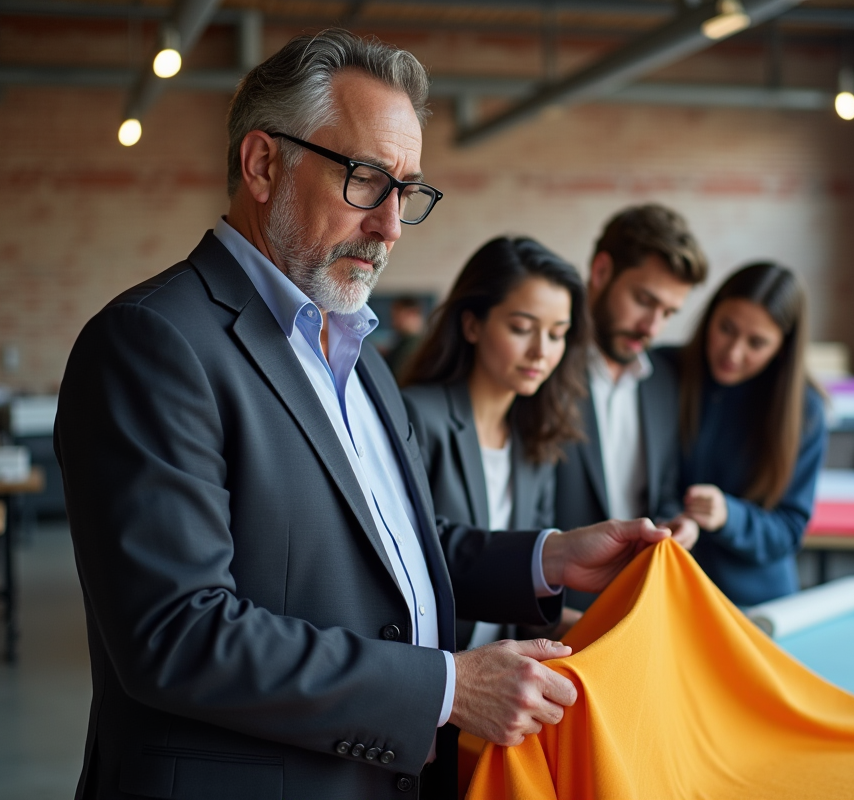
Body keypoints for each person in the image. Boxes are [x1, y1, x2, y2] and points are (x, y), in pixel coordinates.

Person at [54, 30, 673, 800]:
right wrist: (446, 688)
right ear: (262, 164)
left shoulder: (357, 353)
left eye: (406, 191)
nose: (388, 227)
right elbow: (178, 631)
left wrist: (547, 559)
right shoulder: (154, 341)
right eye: (364, 180)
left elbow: (393, 549)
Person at [401, 237, 589, 648]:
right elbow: (404, 566)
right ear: (471, 324)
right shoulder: (417, 416)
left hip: (505, 672)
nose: (542, 351)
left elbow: (517, 588)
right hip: (435, 672)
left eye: (557, 334)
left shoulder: (536, 440)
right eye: (522, 328)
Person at [553, 204, 709, 609]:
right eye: (644, 300)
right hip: (552, 615)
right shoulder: (542, 366)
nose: (652, 327)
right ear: (602, 272)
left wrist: (679, 523)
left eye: (669, 313)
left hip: (640, 606)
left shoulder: (664, 381)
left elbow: (663, 489)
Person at [667, 261, 827, 607]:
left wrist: (729, 516)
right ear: (709, 315)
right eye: (726, 328)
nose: (733, 352)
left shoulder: (804, 411)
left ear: (782, 347)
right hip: (670, 593)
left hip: (756, 606)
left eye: (756, 342)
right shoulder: (664, 374)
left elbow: (788, 531)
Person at [383, 294, 426, 377]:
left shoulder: (414, 346)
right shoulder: (403, 342)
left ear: (412, 313)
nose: (393, 323)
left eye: (397, 316)